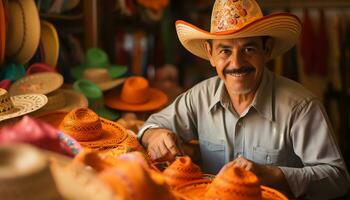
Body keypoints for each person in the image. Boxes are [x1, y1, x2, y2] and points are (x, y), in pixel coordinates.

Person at [138, 0, 350, 199]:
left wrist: (275, 175)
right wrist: (155, 134)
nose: (236, 63)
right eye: (225, 51)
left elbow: (337, 178)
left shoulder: (301, 107)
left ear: (266, 51)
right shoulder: (199, 97)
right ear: (210, 54)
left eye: (248, 49)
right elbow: (151, 127)